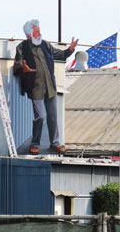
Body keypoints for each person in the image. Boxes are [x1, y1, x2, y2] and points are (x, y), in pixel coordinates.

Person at [13, 19, 78, 155]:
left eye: (39, 31)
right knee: (40, 116)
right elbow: (17, 66)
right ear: (29, 34)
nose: (39, 34)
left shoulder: (45, 45)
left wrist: (70, 49)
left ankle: (55, 143)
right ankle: (35, 144)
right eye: (36, 31)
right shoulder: (22, 47)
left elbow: (58, 54)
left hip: (50, 85)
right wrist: (23, 69)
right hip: (35, 86)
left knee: (53, 116)